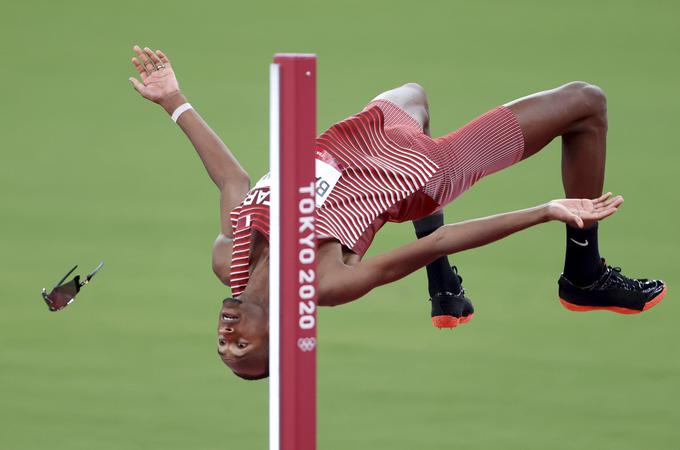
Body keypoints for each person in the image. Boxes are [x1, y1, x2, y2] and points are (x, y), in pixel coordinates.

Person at [129, 45, 666, 380]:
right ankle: (584, 273)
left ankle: (444, 290)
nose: (226, 336)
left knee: (413, 96)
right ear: (277, 335)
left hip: (358, 137)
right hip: (421, 172)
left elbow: (233, 180)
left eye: (222, 345)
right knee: (585, 102)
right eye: (240, 345)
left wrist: (174, 100)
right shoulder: (324, 285)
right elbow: (435, 242)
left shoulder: (232, 255)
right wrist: (544, 210)